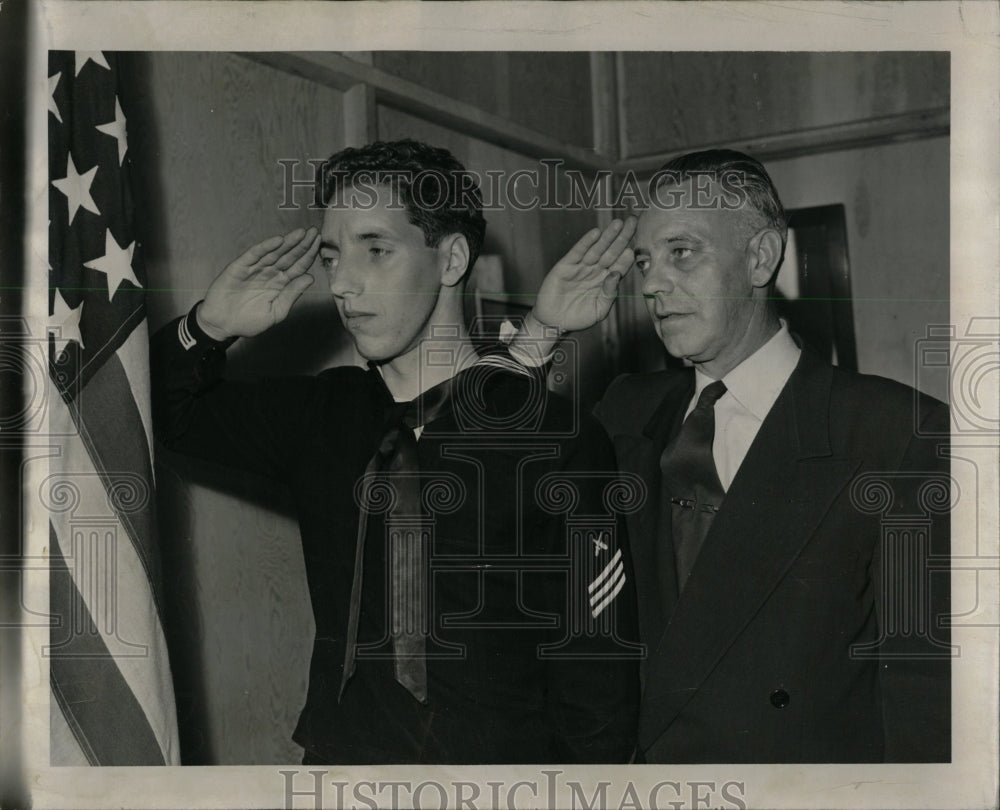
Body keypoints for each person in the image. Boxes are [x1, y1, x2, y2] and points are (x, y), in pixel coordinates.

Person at [150, 139, 641, 764]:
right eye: (332, 257)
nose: (344, 284)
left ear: (452, 258)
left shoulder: (553, 436)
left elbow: (597, 680)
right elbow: (167, 414)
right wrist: (208, 327)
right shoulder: (321, 416)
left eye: (376, 250)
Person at [514, 149, 951, 763]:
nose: (651, 284)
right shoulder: (624, 412)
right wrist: (540, 331)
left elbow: (927, 700)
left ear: (761, 258)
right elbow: (468, 485)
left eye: (681, 253)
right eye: (644, 260)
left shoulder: (894, 433)